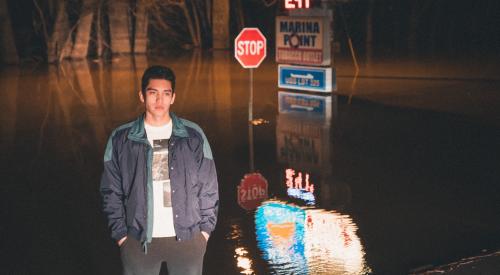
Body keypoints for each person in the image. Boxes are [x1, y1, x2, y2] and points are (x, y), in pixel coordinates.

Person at [100, 65, 219, 275]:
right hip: (138, 240)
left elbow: (209, 186)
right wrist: (121, 236)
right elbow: (111, 190)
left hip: (188, 238)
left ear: (173, 97)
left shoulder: (193, 136)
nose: (159, 100)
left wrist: (204, 232)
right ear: (142, 96)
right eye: (153, 93)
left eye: (166, 94)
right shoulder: (122, 138)